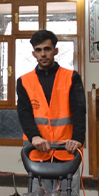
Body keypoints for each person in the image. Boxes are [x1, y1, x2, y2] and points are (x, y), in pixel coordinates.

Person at [16, 29, 85, 162]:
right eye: (38, 50)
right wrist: (34, 136)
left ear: (55, 51)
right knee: (38, 184)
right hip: (37, 149)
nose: (43, 54)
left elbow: (79, 110)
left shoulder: (71, 77)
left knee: (69, 183)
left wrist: (77, 138)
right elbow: (24, 113)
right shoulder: (24, 81)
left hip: (67, 149)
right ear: (33, 53)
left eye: (47, 49)